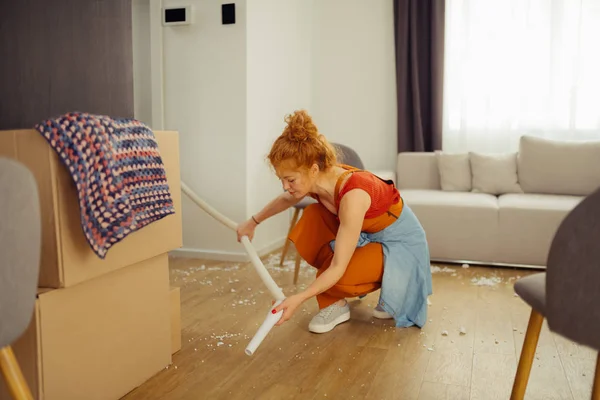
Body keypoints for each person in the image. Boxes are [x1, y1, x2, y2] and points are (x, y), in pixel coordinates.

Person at [236, 110, 432, 334]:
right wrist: (253, 222)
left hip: (400, 246)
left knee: (340, 275)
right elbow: (286, 198)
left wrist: (298, 299)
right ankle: (336, 302)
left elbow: (338, 266)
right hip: (369, 237)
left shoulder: (353, 195)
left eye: (290, 180)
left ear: (313, 169)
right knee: (313, 217)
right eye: (282, 180)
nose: (285, 186)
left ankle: (389, 287)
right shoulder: (318, 182)